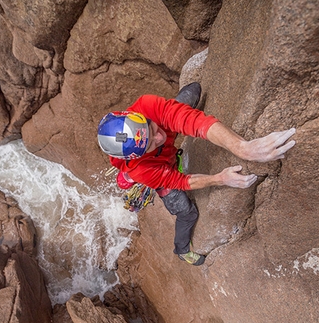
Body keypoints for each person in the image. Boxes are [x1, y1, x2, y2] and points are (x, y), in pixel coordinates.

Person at [97, 83, 296, 265]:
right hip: (162, 171)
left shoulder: (146, 105)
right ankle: (182, 250)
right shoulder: (141, 169)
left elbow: (192, 121)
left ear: (139, 118)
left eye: (151, 128)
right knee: (187, 212)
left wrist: (243, 148)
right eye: (151, 143)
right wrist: (220, 178)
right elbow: (181, 182)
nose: (159, 136)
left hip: (162, 144)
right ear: (138, 155)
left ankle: (167, 116)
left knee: (193, 92)